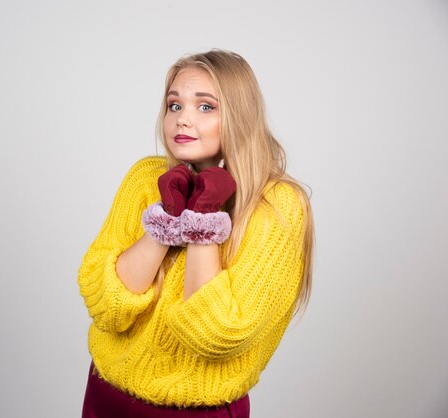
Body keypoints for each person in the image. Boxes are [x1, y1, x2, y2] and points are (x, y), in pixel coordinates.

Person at [78, 49, 315, 418]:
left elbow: (217, 333)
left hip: (193, 412)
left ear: (240, 115)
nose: (182, 120)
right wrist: (168, 217)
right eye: (175, 106)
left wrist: (204, 219)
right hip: (104, 393)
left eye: (205, 107)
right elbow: (106, 306)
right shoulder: (146, 178)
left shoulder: (277, 205)